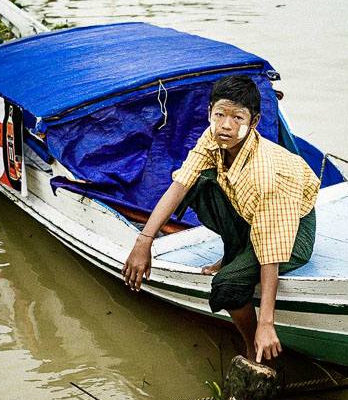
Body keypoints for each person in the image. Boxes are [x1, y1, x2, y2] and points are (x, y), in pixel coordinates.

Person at [121, 74, 319, 364]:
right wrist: (144, 242)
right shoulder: (212, 138)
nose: (227, 125)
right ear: (210, 112)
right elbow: (180, 185)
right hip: (251, 212)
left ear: (254, 123)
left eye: (238, 117)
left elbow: (271, 252)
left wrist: (266, 323)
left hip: (292, 228)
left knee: (228, 285)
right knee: (199, 182)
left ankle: (254, 348)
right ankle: (233, 254)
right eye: (220, 114)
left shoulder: (266, 175)